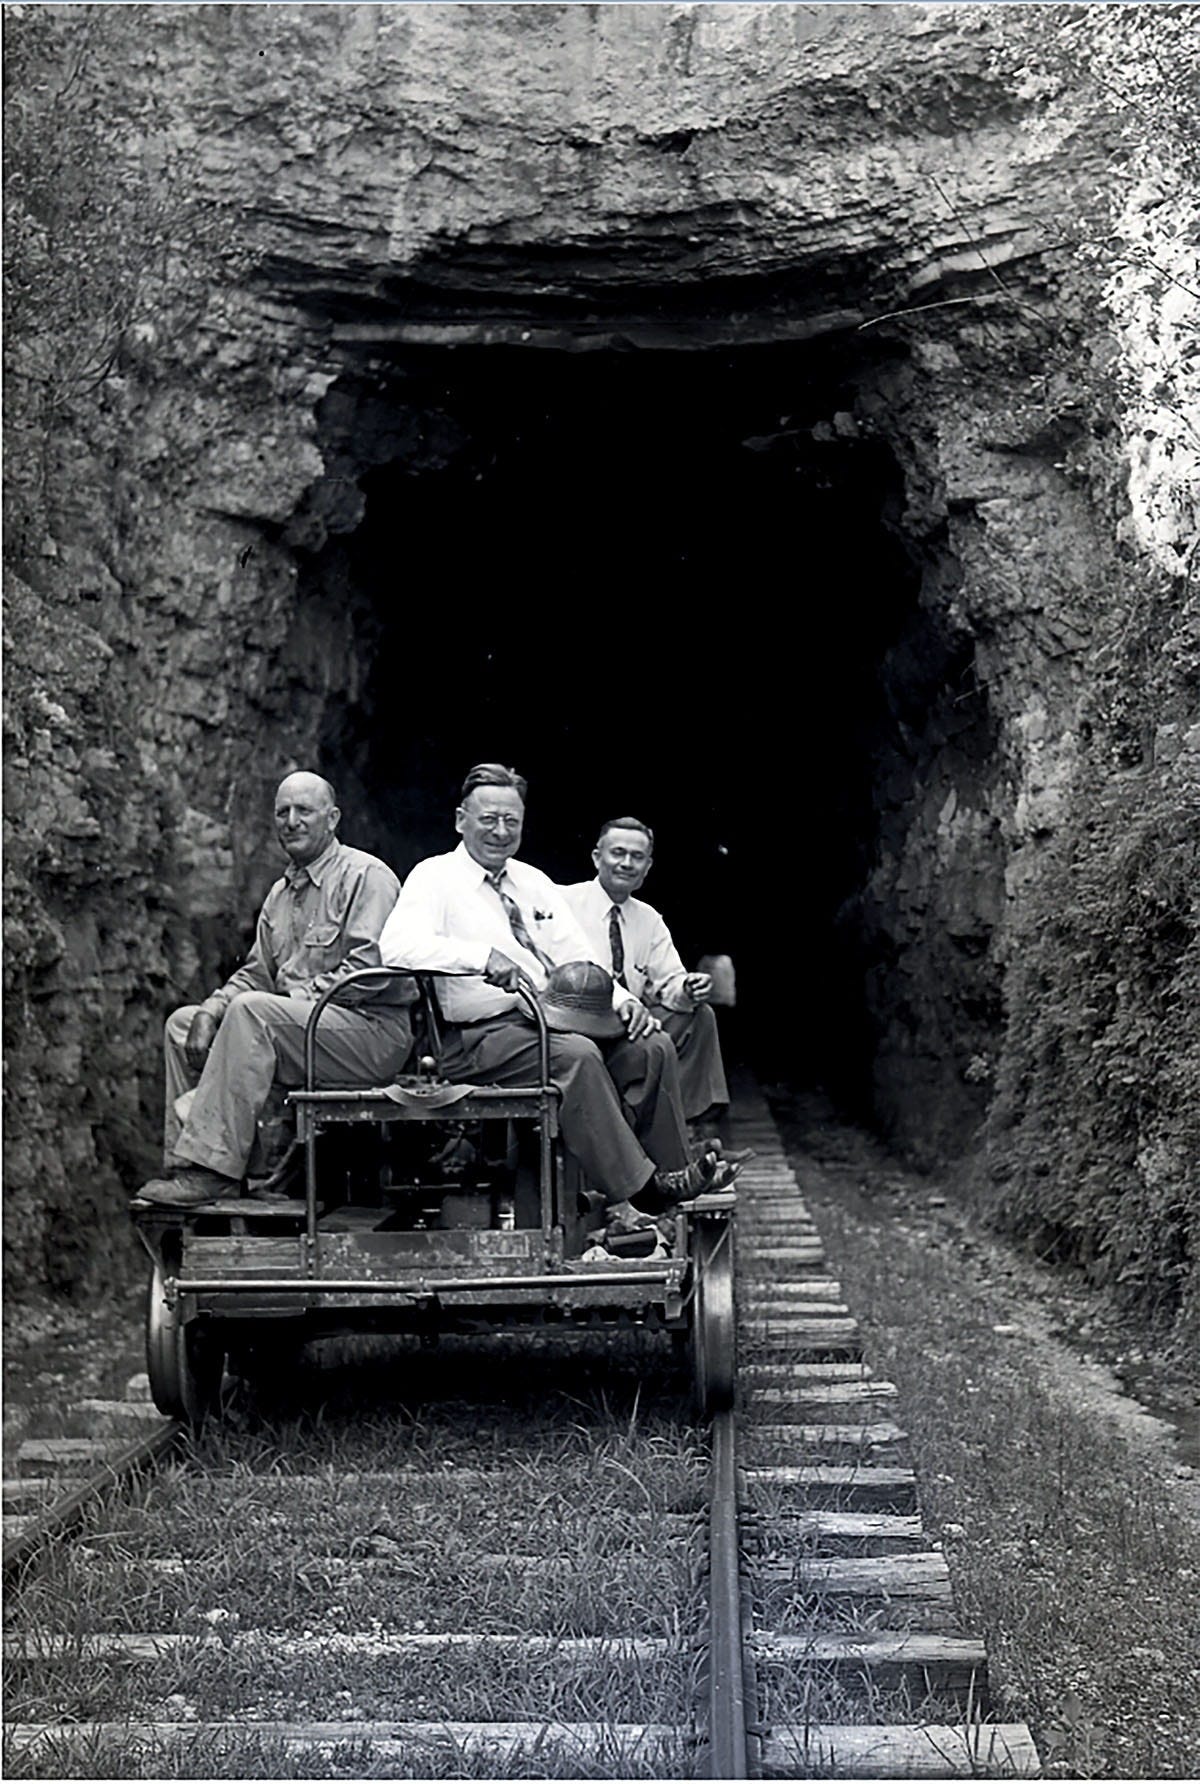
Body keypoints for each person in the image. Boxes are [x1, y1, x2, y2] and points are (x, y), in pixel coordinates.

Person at [378, 764, 732, 1249]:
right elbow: (395, 947)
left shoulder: (534, 883)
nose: (501, 832)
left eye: (512, 822)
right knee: (576, 1059)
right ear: (461, 819)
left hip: (556, 1020)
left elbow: (578, 957)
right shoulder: (434, 878)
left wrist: (627, 1003)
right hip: (480, 1036)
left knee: (652, 1048)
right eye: (489, 819)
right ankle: (640, 1188)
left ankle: (666, 1185)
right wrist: (479, 957)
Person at [136, 772, 417, 1208]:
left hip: (371, 1034)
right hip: (302, 1030)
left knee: (253, 1014)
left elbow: (370, 972)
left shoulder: (366, 876)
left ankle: (212, 1170)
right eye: (282, 812)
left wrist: (282, 1005)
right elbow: (255, 975)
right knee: (183, 1025)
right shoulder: (280, 896)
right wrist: (212, 1010)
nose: (291, 821)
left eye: (304, 810)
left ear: (332, 818)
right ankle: (201, 1166)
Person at [563, 817, 729, 1133]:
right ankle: (646, 1134)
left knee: (700, 1016)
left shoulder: (648, 919)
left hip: (630, 1027)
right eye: (618, 853)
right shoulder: (563, 904)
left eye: (637, 857)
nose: (627, 863)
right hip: (579, 1031)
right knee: (652, 1043)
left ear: (648, 866)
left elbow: (668, 982)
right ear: (597, 857)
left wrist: (688, 988)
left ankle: (688, 1127)